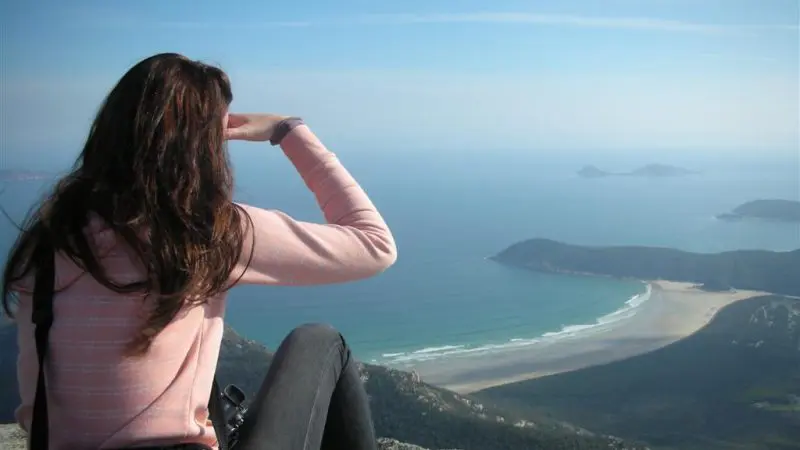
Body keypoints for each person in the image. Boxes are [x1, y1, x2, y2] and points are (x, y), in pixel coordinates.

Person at [1, 53, 397, 449]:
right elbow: (374, 245)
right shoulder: (205, 234)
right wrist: (287, 131)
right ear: (202, 146)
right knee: (321, 341)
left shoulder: (49, 240)